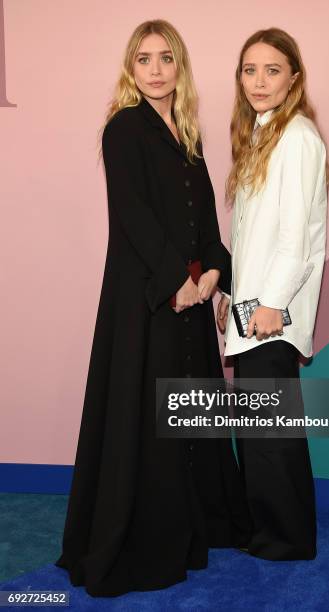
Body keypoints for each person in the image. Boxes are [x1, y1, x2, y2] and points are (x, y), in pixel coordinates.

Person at [55, 19, 250, 597]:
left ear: (180, 67)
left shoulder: (188, 138)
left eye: (166, 58)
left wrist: (214, 273)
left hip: (189, 298)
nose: (156, 69)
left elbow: (208, 226)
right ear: (131, 69)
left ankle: (203, 519)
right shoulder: (123, 129)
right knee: (150, 416)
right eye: (145, 59)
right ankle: (152, 533)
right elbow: (133, 217)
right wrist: (177, 284)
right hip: (146, 301)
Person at [217, 27, 329, 560]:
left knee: (271, 433)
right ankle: (268, 529)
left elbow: (296, 241)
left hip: (271, 312)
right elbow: (252, 238)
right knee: (260, 429)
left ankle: (285, 539)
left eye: (272, 70)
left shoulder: (299, 137)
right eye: (249, 70)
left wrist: (269, 306)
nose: (258, 81)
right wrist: (234, 297)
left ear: (294, 79)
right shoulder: (261, 134)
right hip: (253, 306)